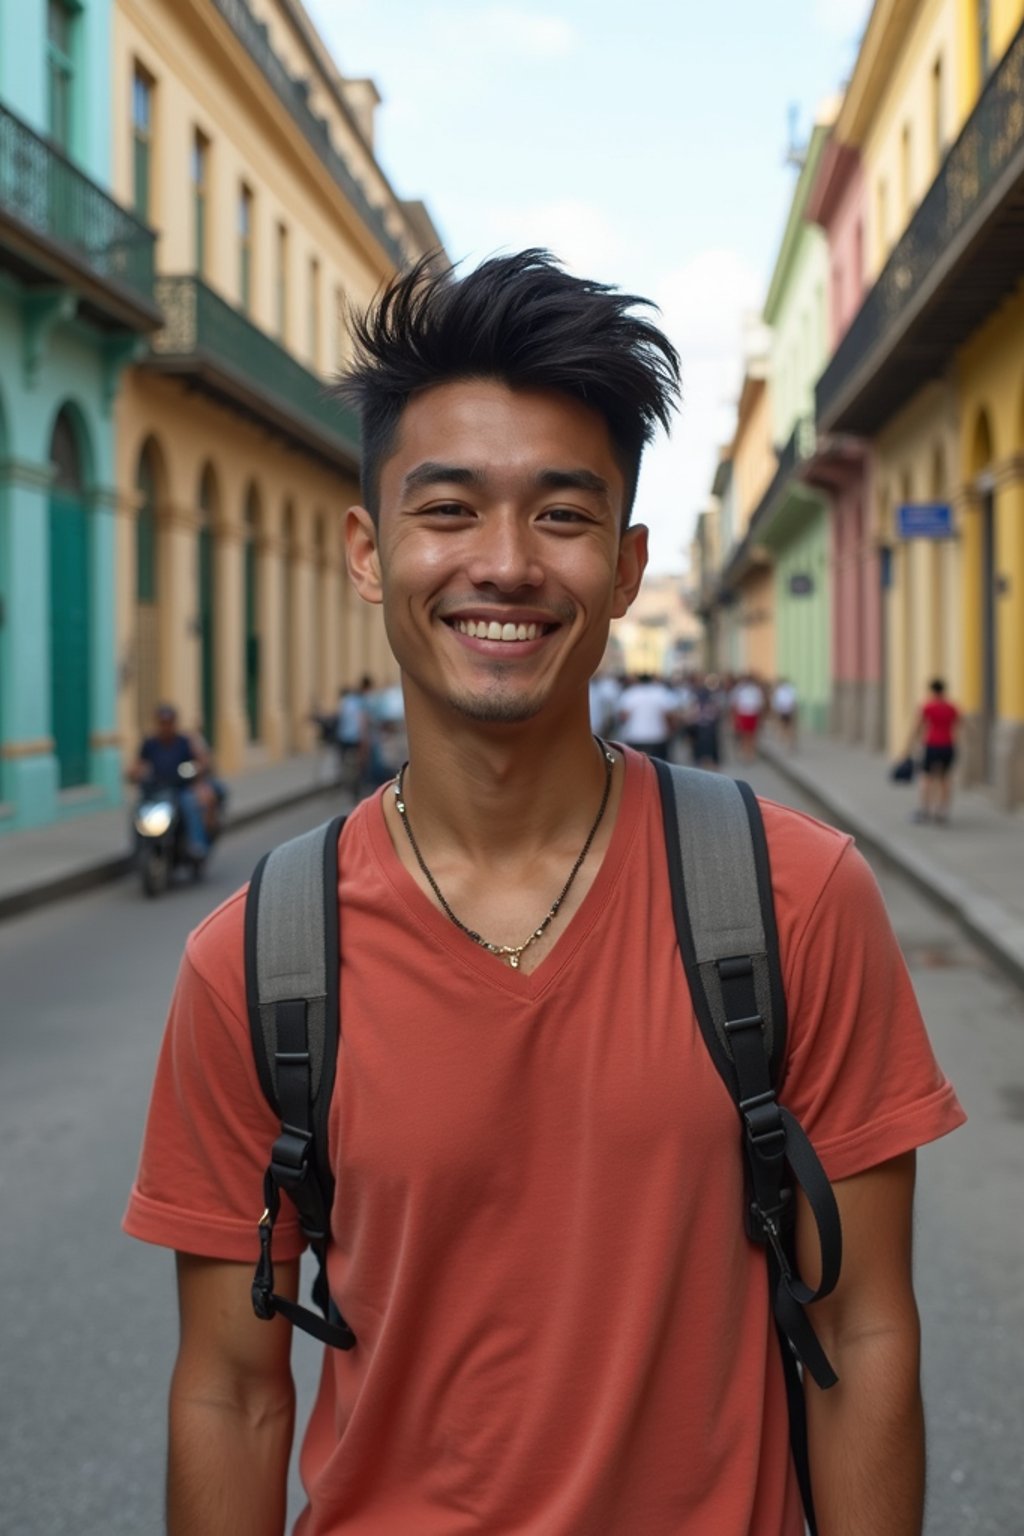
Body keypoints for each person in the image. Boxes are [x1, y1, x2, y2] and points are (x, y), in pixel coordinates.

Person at [124, 251, 964, 1536]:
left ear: (626, 570)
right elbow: (230, 1395)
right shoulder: (256, 962)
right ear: (370, 550)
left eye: (562, 516)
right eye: (448, 509)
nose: (505, 565)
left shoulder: (794, 899)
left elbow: (862, 1323)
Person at [128, 703, 212, 860]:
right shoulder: (150, 743)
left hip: (179, 789)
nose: (165, 727)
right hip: (155, 791)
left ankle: (196, 843)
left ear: (174, 723)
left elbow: (200, 760)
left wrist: (197, 769)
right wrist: (135, 773)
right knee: (137, 811)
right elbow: (138, 764)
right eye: (162, 723)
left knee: (190, 805)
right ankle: (137, 847)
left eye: (169, 723)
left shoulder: (184, 742)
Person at [911, 678, 960, 824]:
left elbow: (918, 726)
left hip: (931, 744)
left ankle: (925, 810)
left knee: (927, 778)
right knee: (945, 779)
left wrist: (911, 746)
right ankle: (942, 811)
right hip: (948, 745)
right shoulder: (951, 707)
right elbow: (958, 725)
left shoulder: (928, 707)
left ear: (932, 691)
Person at [615, 671, 680, 758]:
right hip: (657, 736)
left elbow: (623, 716)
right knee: (657, 768)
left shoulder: (630, 693)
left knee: (636, 767)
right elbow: (669, 715)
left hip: (635, 736)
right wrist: (670, 730)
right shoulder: (661, 692)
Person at [731, 672, 766, 762]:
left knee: (752, 735)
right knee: (744, 735)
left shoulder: (756, 690)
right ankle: (745, 753)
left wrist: (761, 718)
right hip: (744, 715)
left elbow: (759, 705)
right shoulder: (740, 689)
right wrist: (735, 718)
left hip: (753, 715)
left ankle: (751, 753)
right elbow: (735, 704)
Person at [772, 676, 799, 750]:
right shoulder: (787, 689)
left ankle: (788, 741)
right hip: (785, 710)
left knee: (786, 726)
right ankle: (787, 740)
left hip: (786, 710)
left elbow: (776, 702)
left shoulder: (783, 690)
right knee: (786, 726)